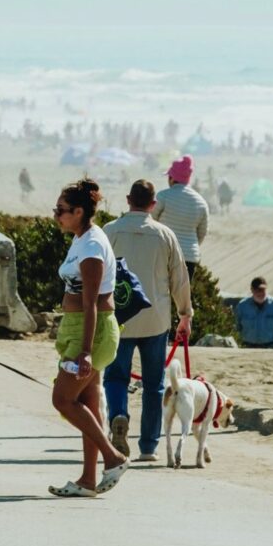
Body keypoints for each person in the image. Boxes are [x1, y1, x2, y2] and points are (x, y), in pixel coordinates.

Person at [48, 179, 129, 498]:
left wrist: (84, 351)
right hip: (78, 327)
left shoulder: (93, 246)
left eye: (62, 210)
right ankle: (88, 479)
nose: (57, 216)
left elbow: (92, 302)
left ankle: (113, 456)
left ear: (79, 211)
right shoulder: (82, 239)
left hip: (91, 331)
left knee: (62, 399)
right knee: (87, 403)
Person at [104, 179, 193, 463]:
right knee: (154, 383)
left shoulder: (109, 232)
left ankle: (119, 414)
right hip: (155, 319)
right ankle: (148, 446)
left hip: (119, 318)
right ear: (153, 205)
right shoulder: (165, 235)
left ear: (128, 199)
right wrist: (185, 314)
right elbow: (180, 278)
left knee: (116, 376)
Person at [154, 156, 211, 270]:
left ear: (171, 178)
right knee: (183, 288)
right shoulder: (201, 202)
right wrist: (189, 245)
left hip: (165, 253)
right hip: (189, 257)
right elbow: (202, 233)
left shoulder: (163, 196)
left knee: (162, 288)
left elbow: (151, 220)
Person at [233, 277, 273, 349]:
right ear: (252, 290)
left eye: (263, 290)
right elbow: (236, 328)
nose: (260, 293)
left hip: (269, 348)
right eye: (257, 290)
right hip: (247, 347)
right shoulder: (242, 306)